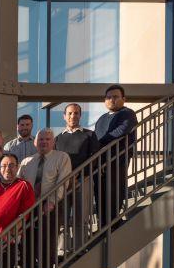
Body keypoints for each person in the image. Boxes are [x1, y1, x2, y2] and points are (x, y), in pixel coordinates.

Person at [19, 129, 72, 268]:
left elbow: (62, 182)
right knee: (26, 248)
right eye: (41, 139)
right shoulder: (26, 162)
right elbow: (18, 186)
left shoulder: (62, 157)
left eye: (48, 139)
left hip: (50, 208)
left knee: (46, 247)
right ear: (35, 143)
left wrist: (52, 202)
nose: (44, 142)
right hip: (29, 210)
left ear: (53, 142)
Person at [56, 103, 100, 249]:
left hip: (83, 180)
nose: (72, 116)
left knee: (81, 217)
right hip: (63, 183)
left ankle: (79, 248)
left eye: (76, 113)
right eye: (69, 113)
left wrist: (80, 177)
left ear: (80, 115)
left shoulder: (89, 134)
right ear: (64, 116)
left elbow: (94, 158)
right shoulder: (57, 139)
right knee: (62, 218)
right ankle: (63, 249)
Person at [94, 84, 138, 227]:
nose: (111, 100)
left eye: (115, 97)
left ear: (123, 99)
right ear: (104, 101)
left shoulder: (128, 113)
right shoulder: (101, 119)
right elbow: (96, 137)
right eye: (108, 97)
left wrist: (102, 141)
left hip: (118, 158)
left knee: (114, 190)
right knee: (100, 193)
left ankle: (113, 223)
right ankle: (103, 225)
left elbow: (122, 130)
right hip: (101, 161)